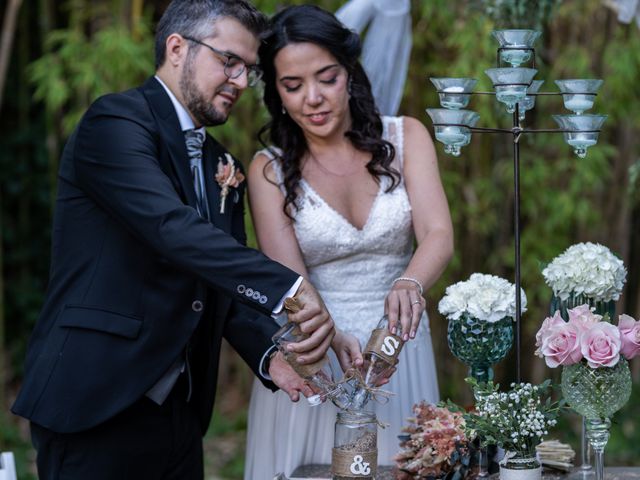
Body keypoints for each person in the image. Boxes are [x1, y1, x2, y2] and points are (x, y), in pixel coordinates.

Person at [11, 1, 338, 479]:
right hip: (97, 401)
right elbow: (171, 229)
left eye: (249, 70)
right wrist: (289, 288)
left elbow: (220, 274)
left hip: (181, 415)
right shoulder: (116, 123)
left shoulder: (220, 162)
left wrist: (271, 356)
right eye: (229, 62)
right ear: (178, 48)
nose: (242, 82)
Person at [244, 5, 454, 478]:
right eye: (293, 86)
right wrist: (328, 336)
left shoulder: (408, 137)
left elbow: (439, 234)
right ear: (276, 93)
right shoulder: (267, 171)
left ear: (349, 73)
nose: (313, 99)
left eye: (327, 78)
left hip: (399, 350)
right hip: (318, 351)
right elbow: (289, 283)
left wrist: (410, 283)